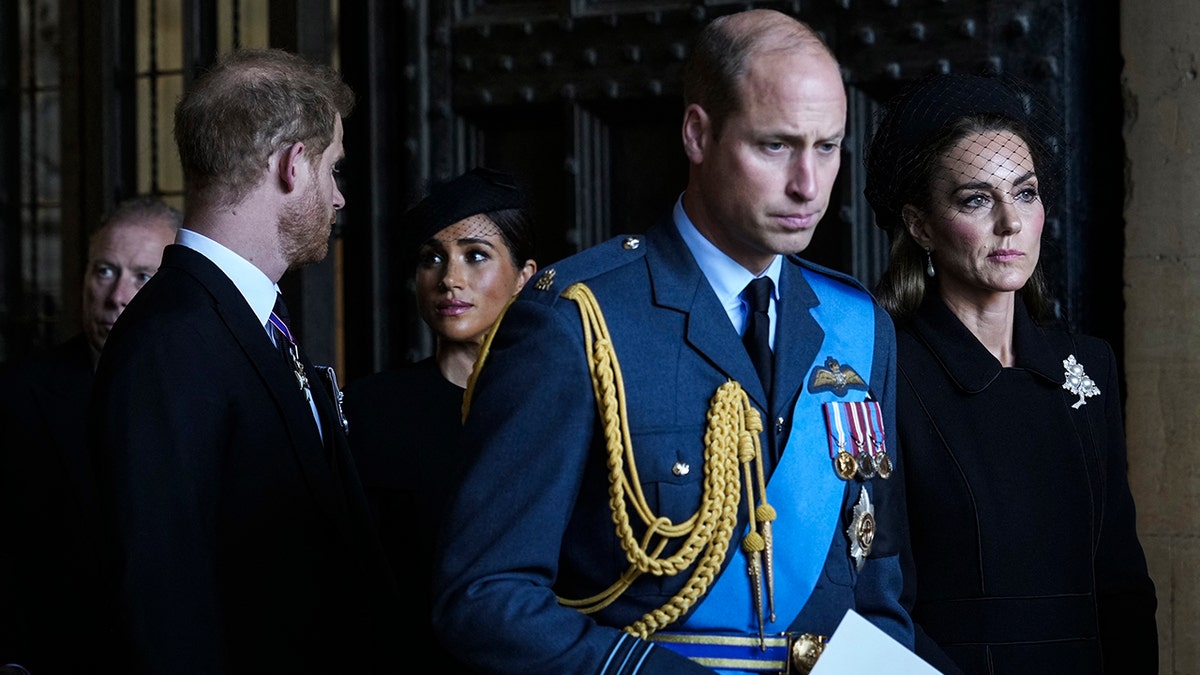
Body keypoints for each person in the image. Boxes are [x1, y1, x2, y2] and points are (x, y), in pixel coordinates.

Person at [432, 10, 912, 674]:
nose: (808, 183)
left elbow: (877, 590)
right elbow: (485, 597)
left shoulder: (857, 326)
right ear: (697, 134)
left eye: (827, 147)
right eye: (775, 146)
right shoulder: (577, 321)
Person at [87, 48, 400, 673]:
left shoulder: (245, 321)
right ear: (293, 165)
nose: (338, 198)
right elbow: (163, 604)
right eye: (333, 170)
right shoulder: (170, 341)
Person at [864, 72, 1158, 673]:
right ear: (920, 225)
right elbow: (874, 596)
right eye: (976, 199)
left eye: (1024, 193)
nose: (1010, 222)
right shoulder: (883, 368)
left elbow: (1122, 582)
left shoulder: (1087, 365)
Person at [343, 165, 537, 668]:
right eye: (432, 258)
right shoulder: (368, 410)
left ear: (524, 277)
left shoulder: (553, 410)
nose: (450, 279)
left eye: (476, 256)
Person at [0, 197, 178, 673]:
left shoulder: (206, 393)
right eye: (104, 270)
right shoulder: (17, 397)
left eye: (143, 276)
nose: (117, 295)